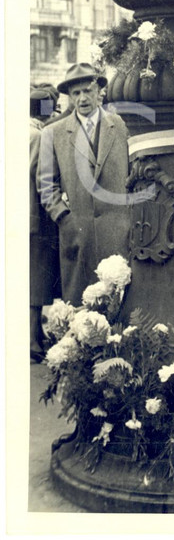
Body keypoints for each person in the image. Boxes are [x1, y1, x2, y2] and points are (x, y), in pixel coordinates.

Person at [38, 63, 131, 306]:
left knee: (122, 310)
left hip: (120, 233)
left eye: (87, 91)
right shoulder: (53, 133)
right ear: (69, 97)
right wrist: (65, 220)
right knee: (81, 313)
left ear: (99, 90)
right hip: (77, 236)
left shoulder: (122, 126)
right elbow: (46, 186)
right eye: (75, 93)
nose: (82, 98)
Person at [30, 87, 61, 362]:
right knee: (36, 282)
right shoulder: (38, 135)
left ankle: (36, 334)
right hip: (35, 217)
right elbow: (42, 178)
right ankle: (32, 341)